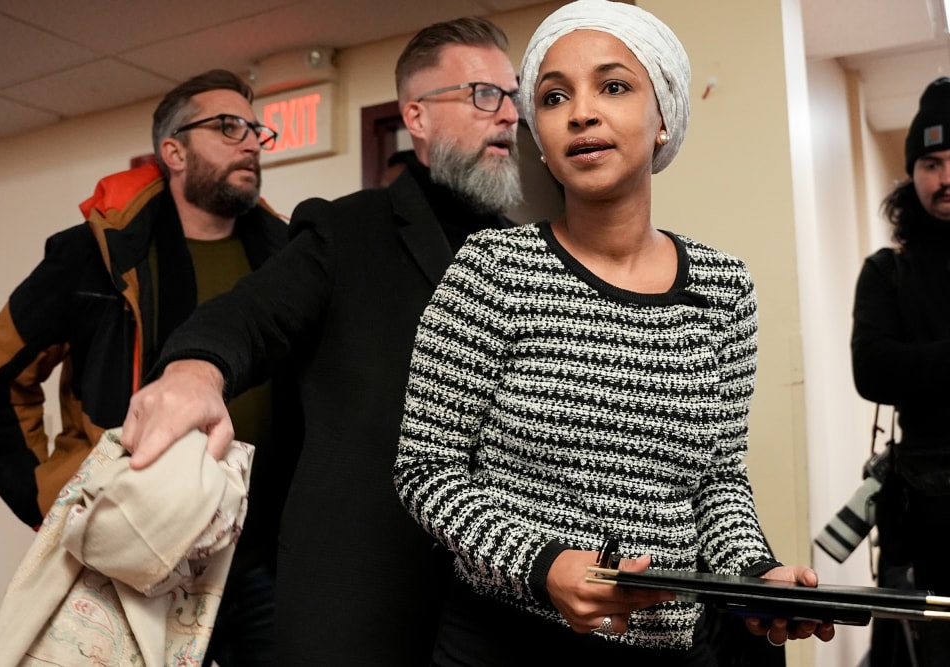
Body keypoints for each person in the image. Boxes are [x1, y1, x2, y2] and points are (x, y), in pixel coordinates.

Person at [392, 2, 836, 664]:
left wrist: (755, 575)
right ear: (541, 135)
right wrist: (545, 564)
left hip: (667, 646)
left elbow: (717, 482)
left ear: (664, 117)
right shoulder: (492, 269)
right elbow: (427, 470)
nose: (581, 113)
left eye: (614, 86)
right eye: (553, 97)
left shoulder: (723, 287)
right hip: (503, 642)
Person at [119, 16, 523, 667]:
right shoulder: (346, 230)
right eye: (484, 94)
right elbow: (251, 316)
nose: (508, 114)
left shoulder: (528, 254)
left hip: (495, 601)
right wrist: (195, 371)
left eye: (514, 96)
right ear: (416, 117)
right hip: (362, 599)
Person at [0, 69, 294, 667]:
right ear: (174, 151)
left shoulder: (285, 256)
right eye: (228, 127)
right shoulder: (95, 253)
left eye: (255, 130)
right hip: (138, 552)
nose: (250, 142)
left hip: (264, 557)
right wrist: (51, 497)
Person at [851, 76, 950, 667]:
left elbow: (898, 365)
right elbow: (872, 371)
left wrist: (925, 362)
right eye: (932, 163)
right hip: (925, 511)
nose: (946, 177)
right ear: (912, 174)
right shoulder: (888, 271)